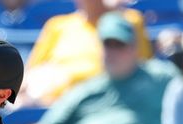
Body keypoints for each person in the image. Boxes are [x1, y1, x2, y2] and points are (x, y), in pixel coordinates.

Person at [15, 12, 177, 124]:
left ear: (134, 47)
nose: (113, 52)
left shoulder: (160, 77)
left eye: (119, 45)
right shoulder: (88, 89)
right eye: (108, 45)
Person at [17, 0, 152, 106]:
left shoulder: (127, 21)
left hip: (110, 102)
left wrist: (114, 10)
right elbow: (28, 76)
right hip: (54, 103)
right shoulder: (57, 25)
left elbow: (144, 68)